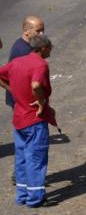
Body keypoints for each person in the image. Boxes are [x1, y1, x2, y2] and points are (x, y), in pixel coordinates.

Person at [0, 35, 56, 208]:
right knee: (36, 158)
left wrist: (13, 91)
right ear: (43, 48)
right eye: (50, 47)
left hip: (19, 117)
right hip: (34, 118)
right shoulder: (40, 64)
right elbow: (36, 85)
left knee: (22, 156)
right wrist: (40, 102)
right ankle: (35, 198)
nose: (51, 50)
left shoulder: (18, 62)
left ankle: (22, 195)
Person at [7, 16, 43, 185]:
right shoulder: (22, 51)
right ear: (26, 30)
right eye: (38, 31)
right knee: (29, 142)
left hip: (21, 100)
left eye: (43, 30)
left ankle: (21, 175)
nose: (41, 34)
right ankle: (23, 176)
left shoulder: (26, 46)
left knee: (24, 140)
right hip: (24, 102)